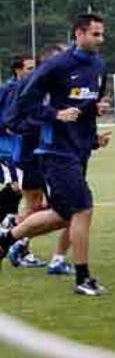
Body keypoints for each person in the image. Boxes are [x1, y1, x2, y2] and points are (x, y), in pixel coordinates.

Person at [0, 13, 112, 296]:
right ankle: (83, 279)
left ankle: (6, 239)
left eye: (102, 34)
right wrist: (55, 113)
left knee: (64, 214)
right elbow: (26, 103)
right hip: (55, 151)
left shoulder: (99, 66)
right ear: (79, 33)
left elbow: (86, 108)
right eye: (95, 34)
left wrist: (94, 133)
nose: (101, 39)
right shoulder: (56, 66)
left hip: (80, 149)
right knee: (83, 208)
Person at [2, 45, 73, 275]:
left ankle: (17, 238)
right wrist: (40, 123)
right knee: (61, 208)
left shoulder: (54, 87)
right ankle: (14, 234)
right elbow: (11, 121)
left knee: (47, 206)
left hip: (46, 155)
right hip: (31, 156)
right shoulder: (21, 88)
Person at [0, 54, 43, 269]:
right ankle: (13, 233)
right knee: (30, 202)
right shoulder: (12, 90)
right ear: (18, 70)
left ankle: (14, 233)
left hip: (34, 153)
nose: (33, 71)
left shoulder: (31, 89)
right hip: (13, 153)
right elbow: (8, 122)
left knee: (35, 202)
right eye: (29, 68)